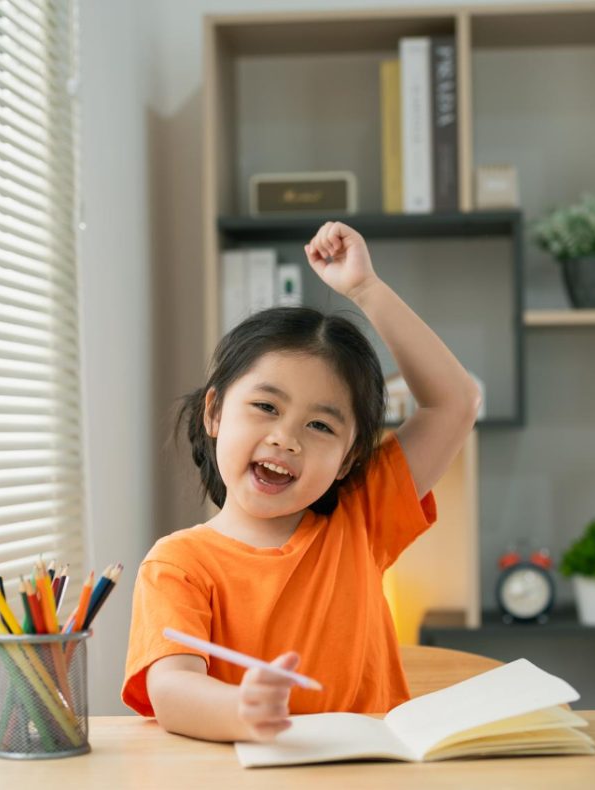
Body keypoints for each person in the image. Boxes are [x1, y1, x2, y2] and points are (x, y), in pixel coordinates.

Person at [122, 221, 480, 742]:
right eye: (266, 407)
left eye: (320, 426)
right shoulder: (177, 565)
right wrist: (242, 709)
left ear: (347, 458)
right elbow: (171, 691)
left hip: (373, 773)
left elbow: (455, 402)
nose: (285, 439)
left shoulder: (362, 516)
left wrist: (366, 288)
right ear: (215, 412)